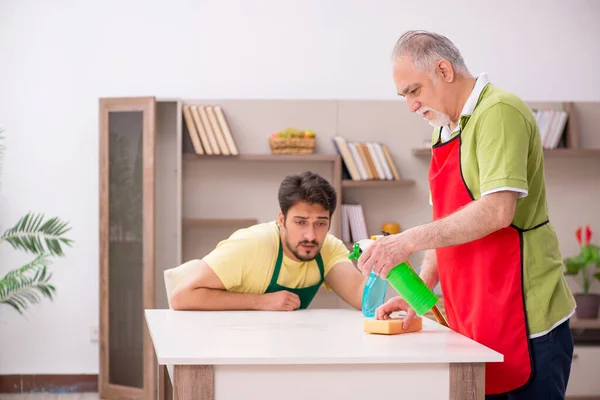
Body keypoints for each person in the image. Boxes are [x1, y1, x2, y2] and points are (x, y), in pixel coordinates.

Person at [357, 30, 576, 399]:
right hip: (475, 317)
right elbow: (447, 218)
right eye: (404, 96)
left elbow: (497, 210)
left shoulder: (498, 112)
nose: (410, 105)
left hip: (526, 319)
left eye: (414, 91)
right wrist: (419, 293)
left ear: (444, 70)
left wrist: (405, 241)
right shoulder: (444, 129)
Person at [168, 171, 366, 312]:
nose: (311, 236)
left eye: (320, 223)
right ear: (281, 219)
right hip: (220, 346)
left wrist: (380, 262)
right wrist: (261, 302)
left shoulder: (328, 249)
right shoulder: (252, 245)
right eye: (300, 222)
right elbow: (181, 296)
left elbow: (363, 299)